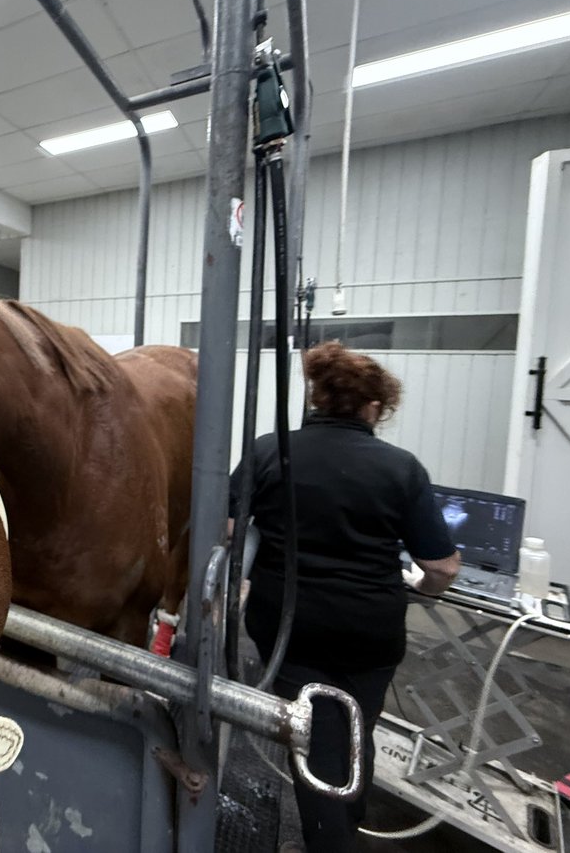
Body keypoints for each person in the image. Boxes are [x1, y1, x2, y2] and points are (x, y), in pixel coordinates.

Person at [230, 341, 460, 853]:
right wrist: (420, 591)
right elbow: (442, 566)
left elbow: (226, 527)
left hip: (290, 628)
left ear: (316, 399)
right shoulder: (402, 468)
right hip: (370, 634)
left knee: (316, 747)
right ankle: (345, 826)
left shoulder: (269, 451)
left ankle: (331, 840)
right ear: (373, 407)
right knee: (357, 729)